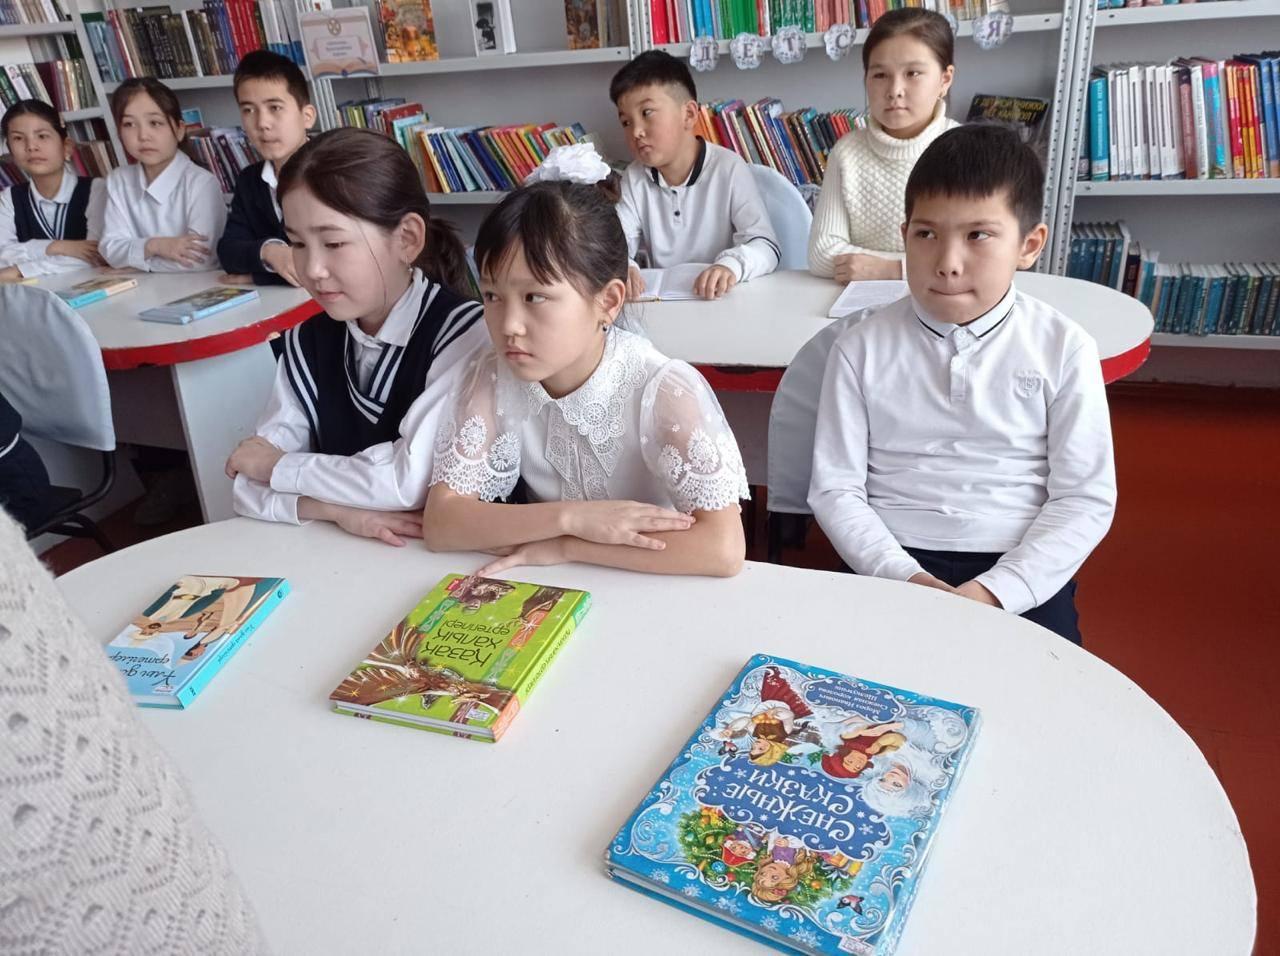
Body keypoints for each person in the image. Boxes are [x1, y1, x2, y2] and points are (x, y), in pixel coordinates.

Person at [808, 125, 1117, 644]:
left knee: (1041, 686)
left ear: (1029, 245)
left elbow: (1084, 498)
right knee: (846, 682)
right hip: (890, 555)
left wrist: (997, 590)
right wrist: (902, 576)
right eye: (926, 235)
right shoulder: (859, 347)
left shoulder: (1064, 348)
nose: (948, 264)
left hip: (1018, 560)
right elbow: (836, 488)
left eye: (978, 236)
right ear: (904, 235)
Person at [422, 146, 750, 577]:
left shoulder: (662, 389)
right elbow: (442, 523)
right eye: (492, 296)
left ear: (608, 301)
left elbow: (722, 549)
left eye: (534, 297)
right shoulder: (491, 373)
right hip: (550, 581)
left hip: (651, 579)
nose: (509, 326)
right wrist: (571, 519)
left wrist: (567, 547)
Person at [225, 128, 487, 546]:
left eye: (333, 243)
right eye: (296, 243)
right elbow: (245, 483)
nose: (312, 269)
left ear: (407, 239)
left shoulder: (465, 334)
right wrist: (341, 511)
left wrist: (279, 468)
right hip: (341, 552)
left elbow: (407, 482)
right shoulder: (305, 342)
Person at [610, 50, 779, 301]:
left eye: (647, 113)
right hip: (664, 305)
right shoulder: (634, 178)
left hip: (721, 301)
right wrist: (624, 267)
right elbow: (615, 245)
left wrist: (730, 266)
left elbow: (766, 246)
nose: (636, 132)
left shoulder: (728, 168)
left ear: (688, 115)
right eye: (626, 122)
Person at [808, 9, 958, 283]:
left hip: (947, 299)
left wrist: (893, 270)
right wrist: (922, 264)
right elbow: (821, 253)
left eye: (913, 73)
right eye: (880, 75)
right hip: (862, 298)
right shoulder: (847, 152)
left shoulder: (965, 151)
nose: (894, 90)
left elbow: (972, 255)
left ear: (944, 79)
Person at [99, 77, 226, 272]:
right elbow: (110, 250)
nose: (143, 136)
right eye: (129, 124)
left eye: (155, 123)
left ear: (180, 130)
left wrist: (137, 262)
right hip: (143, 287)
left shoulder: (201, 183)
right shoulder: (117, 180)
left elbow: (199, 260)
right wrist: (155, 246)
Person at [217, 50, 317, 287]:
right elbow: (228, 252)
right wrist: (270, 252)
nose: (262, 123)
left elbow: (332, 263)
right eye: (248, 110)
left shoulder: (336, 171)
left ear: (307, 116)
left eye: (275, 107)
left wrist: (255, 277)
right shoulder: (249, 180)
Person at [0, 100, 106, 281]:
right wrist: (57, 247)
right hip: (34, 294)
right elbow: (2, 255)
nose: (31, 146)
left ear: (66, 147)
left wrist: (19, 271)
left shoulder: (96, 190)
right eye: (18, 138)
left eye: (42, 136)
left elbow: (97, 255)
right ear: (9, 150)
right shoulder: (8, 199)